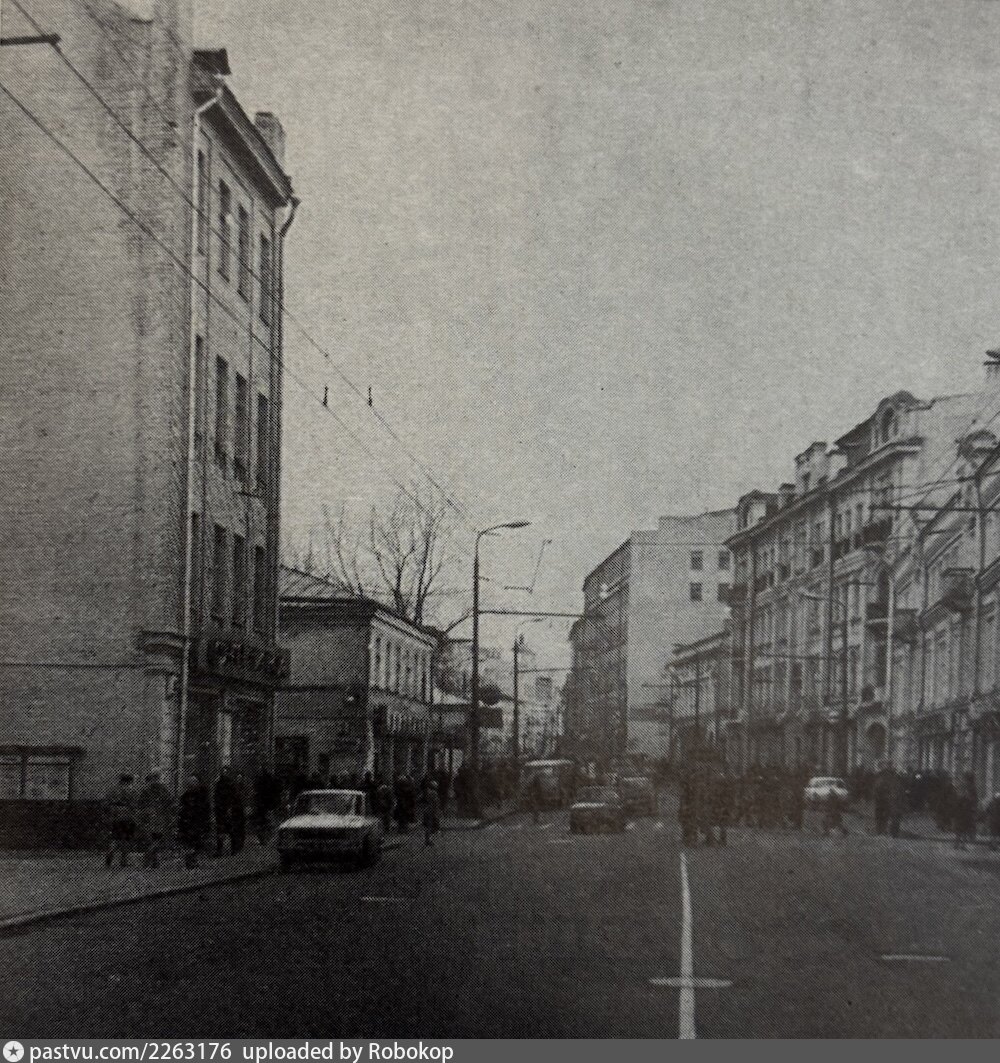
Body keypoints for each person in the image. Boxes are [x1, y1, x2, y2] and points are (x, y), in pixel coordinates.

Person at [137, 770, 173, 868]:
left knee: (151, 839)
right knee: (157, 838)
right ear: (159, 777)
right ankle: (154, 859)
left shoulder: (146, 790)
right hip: (160, 816)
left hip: (149, 816)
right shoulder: (164, 789)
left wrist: (144, 812)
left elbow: (140, 804)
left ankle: (151, 859)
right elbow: (169, 802)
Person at [104, 773, 137, 869]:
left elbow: (106, 804)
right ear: (129, 781)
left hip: (115, 816)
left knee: (115, 837)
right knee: (126, 839)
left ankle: (110, 852)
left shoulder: (112, 790)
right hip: (128, 816)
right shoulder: (132, 791)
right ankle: (123, 860)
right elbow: (135, 804)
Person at [178, 775, 211, 868]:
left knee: (196, 842)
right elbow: (182, 811)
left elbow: (205, 810)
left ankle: (193, 860)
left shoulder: (202, 796)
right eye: (189, 785)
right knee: (189, 842)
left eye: (192, 785)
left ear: (196, 784)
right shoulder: (185, 797)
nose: (190, 787)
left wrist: (204, 822)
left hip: (197, 822)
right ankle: (190, 861)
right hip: (187, 823)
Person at [214, 767, 241, 857]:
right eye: (223, 772)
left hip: (228, 810)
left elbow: (233, 797)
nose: (224, 773)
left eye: (225, 772)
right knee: (220, 831)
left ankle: (234, 848)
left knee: (231, 830)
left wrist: (230, 808)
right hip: (220, 810)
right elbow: (216, 796)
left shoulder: (230, 784)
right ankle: (219, 850)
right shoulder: (219, 784)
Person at [252, 767, 281, 844]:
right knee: (270, 821)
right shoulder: (272, 780)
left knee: (262, 822)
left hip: (262, 804)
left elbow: (256, 791)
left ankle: (264, 838)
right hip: (269, 804)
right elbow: (277, 791)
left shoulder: (260, 780)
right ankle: (269, 837)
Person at [954, 773, 978, 850]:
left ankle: (959, 844)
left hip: (964, 811)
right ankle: (960, 844)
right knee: (963, 828)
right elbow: (973, 799)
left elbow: (973, 799)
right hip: (965, 811)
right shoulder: (970, 788)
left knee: (962, 828)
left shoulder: (968, 787)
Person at [422, 780, 441, 846]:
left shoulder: (428, 792)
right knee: (430, 826)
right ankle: (428, 840)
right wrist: (436, 812)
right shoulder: (434, 793)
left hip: (427, 810)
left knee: (428, 826)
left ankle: (428, 840)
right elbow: (435, 803)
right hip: (431, 811)